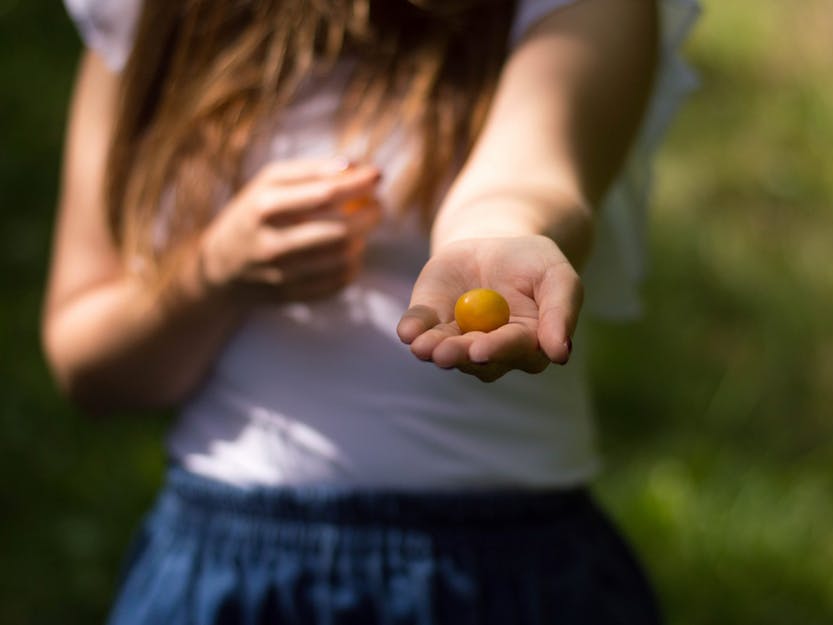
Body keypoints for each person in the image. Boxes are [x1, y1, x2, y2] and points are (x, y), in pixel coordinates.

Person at [44, 0, 698, 622]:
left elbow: (529, 172)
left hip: (506, 569)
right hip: (228, 562)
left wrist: (496, 236)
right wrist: (211, 274)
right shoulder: (154, 16)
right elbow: (89, 366)